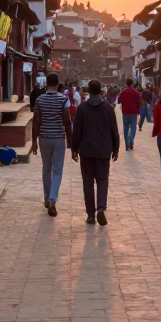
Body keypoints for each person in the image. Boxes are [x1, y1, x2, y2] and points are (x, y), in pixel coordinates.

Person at [70, 79, 119, 226]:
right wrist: (115, 149)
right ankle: (101, 207)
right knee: (102, 180)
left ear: (88, 91)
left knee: (88, 183)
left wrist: (74, 149)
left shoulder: (83, 108)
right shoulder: (108, 108)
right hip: (104, 151)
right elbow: (114, 131)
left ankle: (91, 215)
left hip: (86, 151)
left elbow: (76, 131)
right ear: (101, 91)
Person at [32, 73, 72, 217]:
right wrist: (70, 140)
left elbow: (36, 122)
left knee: (46, 169)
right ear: (57, 84)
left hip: (44, 138)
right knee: (57, 170)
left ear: (46, 84)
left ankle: (47, 198)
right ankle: (52, 199)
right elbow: (67, 122)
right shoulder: (63, 100)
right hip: (59, 138)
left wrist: (33, 142)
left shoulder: (39, 100)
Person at [117, 78, 143, 151]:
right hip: (133, 113)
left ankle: (126, 144)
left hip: (125, 113)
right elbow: (140, 101)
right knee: (133, 128)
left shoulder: (122, 92)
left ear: (126, 84)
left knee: (125, 128)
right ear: (132, 84)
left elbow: (118, 101)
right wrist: (138, 109)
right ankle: (131, 141)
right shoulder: (136, 92)